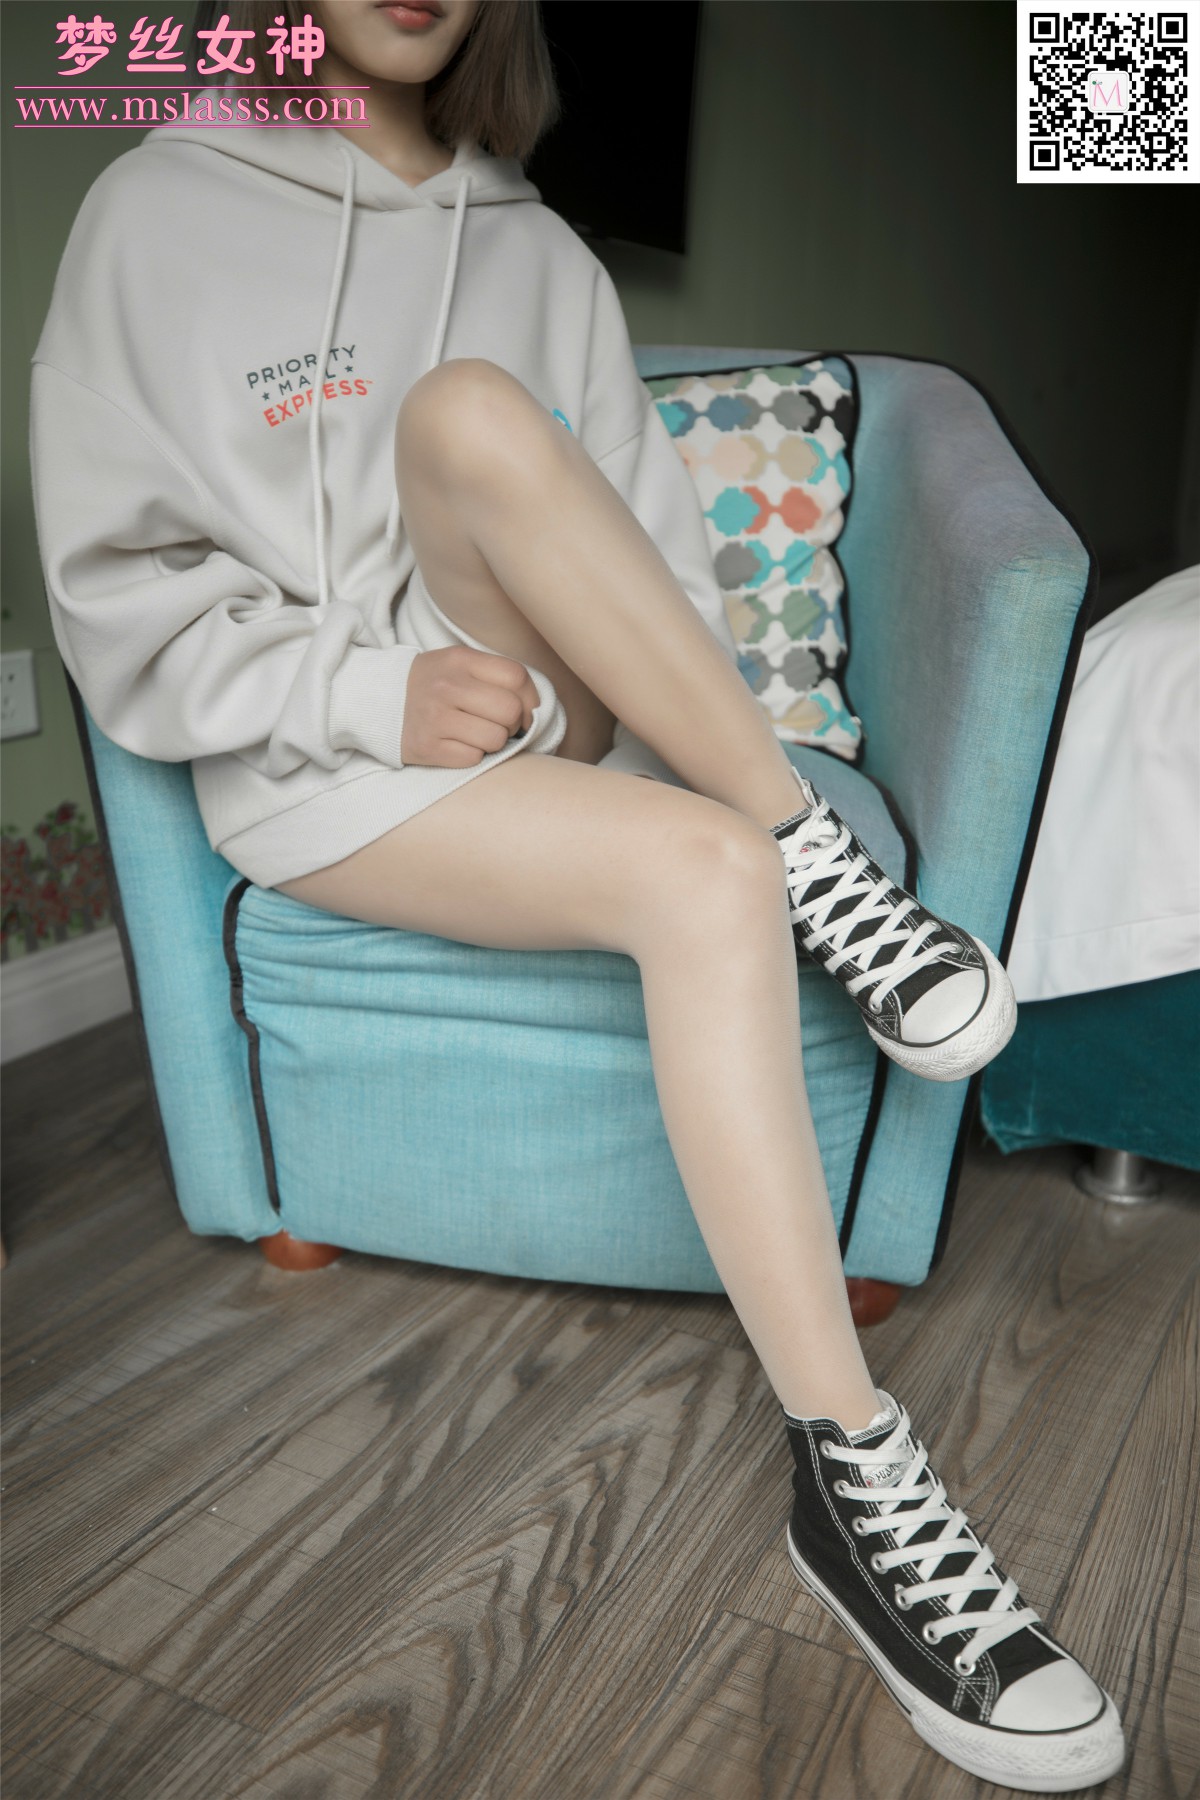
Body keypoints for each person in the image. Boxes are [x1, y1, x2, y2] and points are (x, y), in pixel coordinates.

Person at [27, 1, 1123, 1787]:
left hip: (548, 714)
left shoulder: (536, 247)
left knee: (473, 412)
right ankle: (853, 1478)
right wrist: (365, 693)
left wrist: (539, 699)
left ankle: (807, 853)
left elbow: (656, 592)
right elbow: (114, 597)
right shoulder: (154, 209)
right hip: (325, 770)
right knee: (704, 867)